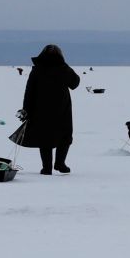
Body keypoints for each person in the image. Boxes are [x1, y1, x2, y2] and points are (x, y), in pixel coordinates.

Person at [20, 44, 80, 174]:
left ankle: (47, 167)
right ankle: (60, 163)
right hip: (61, 109)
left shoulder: (37, 69)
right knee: (65, 136)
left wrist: (26, 109)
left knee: (45, 138)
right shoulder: (63, 68)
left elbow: (29, 91)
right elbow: (75, 83)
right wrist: (65, 66)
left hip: (40, 109)